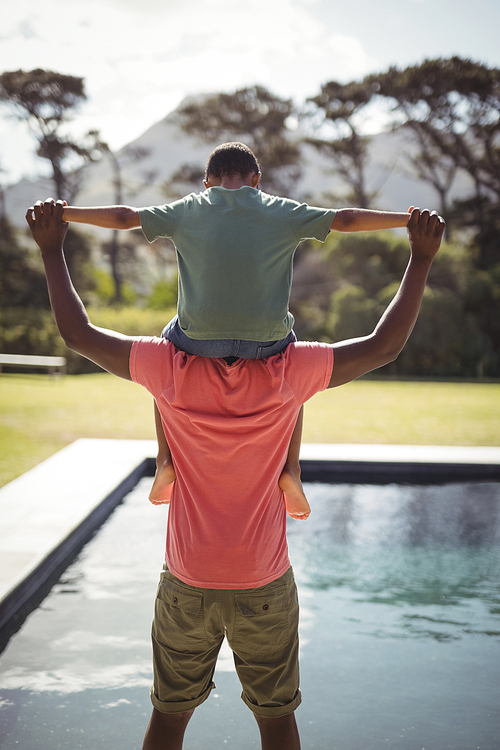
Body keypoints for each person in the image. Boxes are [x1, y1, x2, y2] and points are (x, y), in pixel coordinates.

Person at [26, 197, 445, 750]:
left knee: (169, 718)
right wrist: (420, 259)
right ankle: (285, 467)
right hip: (263, 582)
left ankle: (167, 460)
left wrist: (53, 250)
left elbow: (78, 334)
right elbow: (383, 346)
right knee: (276, 722)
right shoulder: (288, 370)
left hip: (187, 581)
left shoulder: (168, 367)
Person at [60, 142, 413, 520]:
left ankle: (166, 461)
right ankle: (291, 469)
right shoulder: (282, 210)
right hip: (268, 345)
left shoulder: (189, 207)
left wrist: (65, 213)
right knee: (298, 368)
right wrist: (408, 221)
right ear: (255, 180)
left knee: (162, 352)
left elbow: (123, 217)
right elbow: (344, 220)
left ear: (208, 183)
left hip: (196, 343)